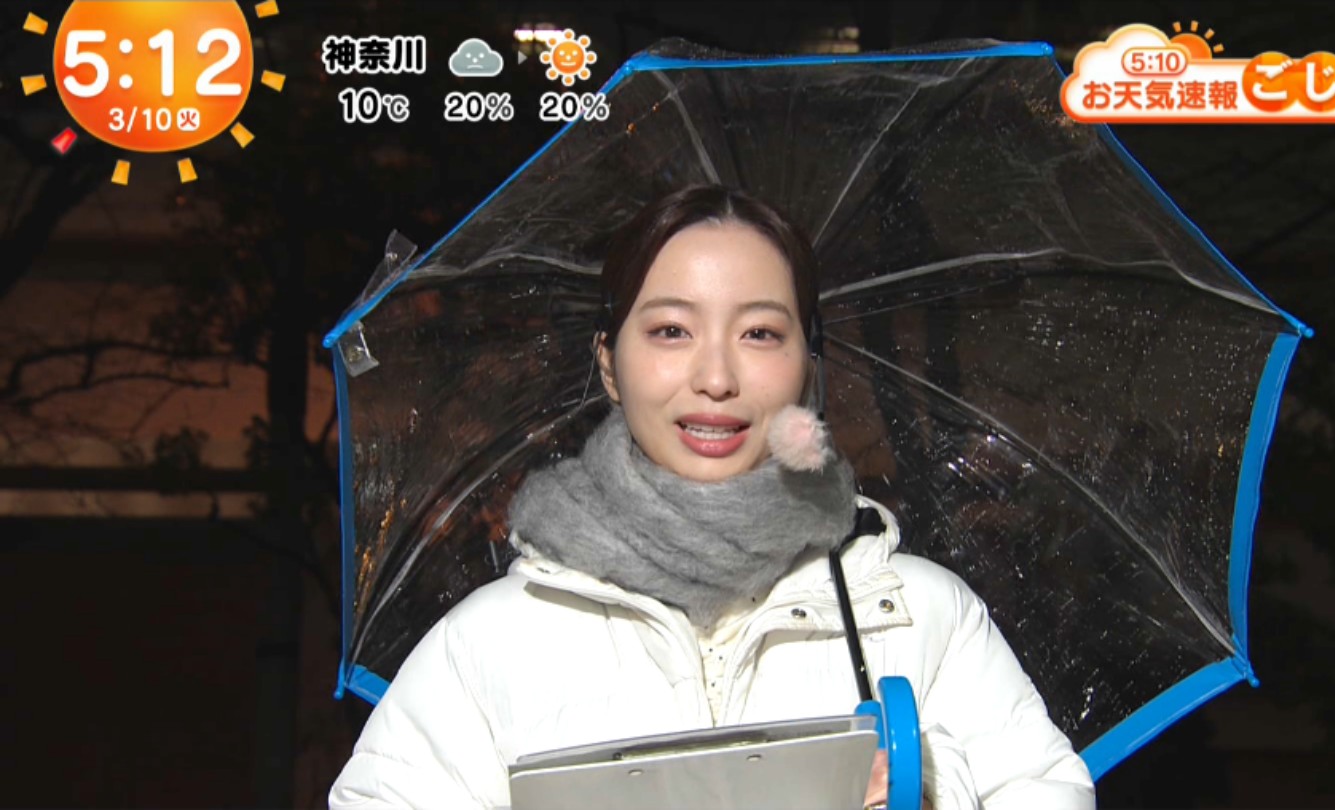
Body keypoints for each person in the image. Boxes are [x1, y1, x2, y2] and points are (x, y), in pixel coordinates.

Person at [330, 186, 1094, 809]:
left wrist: (930, 789)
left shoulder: (921, 616)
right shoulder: (489, 644)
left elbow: (1043, 790)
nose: (717, 378)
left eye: (760, 333)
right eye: (671, 331)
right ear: (609, 363)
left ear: (809, 363)